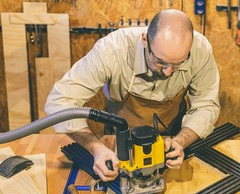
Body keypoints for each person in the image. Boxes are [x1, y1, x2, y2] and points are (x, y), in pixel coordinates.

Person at [44, 9, 220, 182]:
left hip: (171, 139)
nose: (167, 72)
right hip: (119, 142)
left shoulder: (200, 50)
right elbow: (59, 102)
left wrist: (181, 141)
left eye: (178, 64)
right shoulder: (112, 50)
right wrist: (96, 148)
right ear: (145, 40)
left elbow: (206, 106)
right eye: (160, 61)